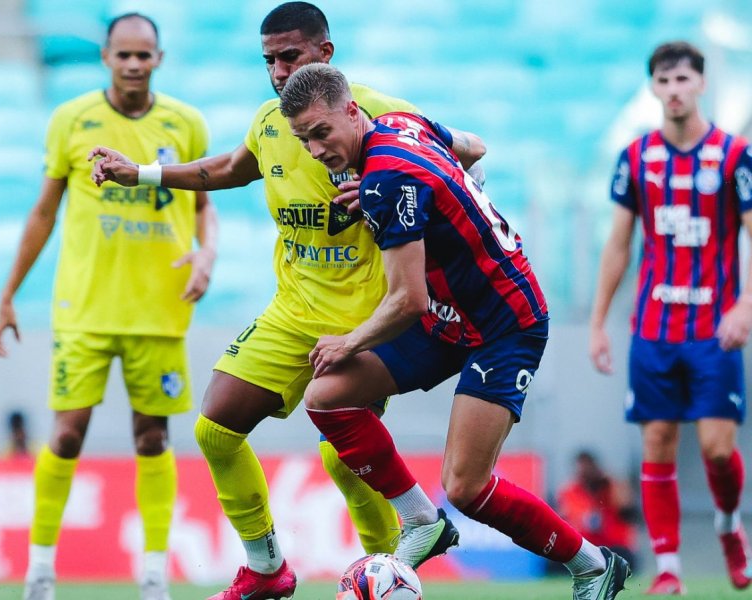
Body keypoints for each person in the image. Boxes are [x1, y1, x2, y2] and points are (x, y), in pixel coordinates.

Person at [87, 4, 472, 599]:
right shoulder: (272, 121)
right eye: (267, 59)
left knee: (344, 459)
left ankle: (386, 572)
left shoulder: (381, 114)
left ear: (325, 54)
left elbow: (462, 156)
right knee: (215, 429)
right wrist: (139, 174)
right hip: (292, 313)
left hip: (365, 321)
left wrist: (387, 184)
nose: (276, 70)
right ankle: (268, 568)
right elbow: (228, 169)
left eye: (289, 56)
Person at [277, 62, 631, 600]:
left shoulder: (385, 180)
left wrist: (348, 341)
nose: (316, 150)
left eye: (322, 132)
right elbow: (475, 147)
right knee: (326, 396)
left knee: (465, 486)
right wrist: (448, 194)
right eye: (304, 140)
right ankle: (422, 522)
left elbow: (406, 299)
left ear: (352, 111)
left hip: (504, 324)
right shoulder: (401, 124)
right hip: (447, 318)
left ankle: (592, 565)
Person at [0, 13, 217, 600]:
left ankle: (153, 574)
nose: (134, 64)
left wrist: (206, 253)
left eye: (145, 55)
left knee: (153, 438)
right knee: (67, 435)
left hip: (158, 310)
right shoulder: (71, 120)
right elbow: (44, 211)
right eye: (124, 55)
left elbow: (204, 204)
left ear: (159, 59)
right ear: (106, 57)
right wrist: (10, 292)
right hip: (85, 310)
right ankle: (40, 569)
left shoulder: (187, 123)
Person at [589, 40, 752, 595]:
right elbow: (617, 246)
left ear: (701, 84)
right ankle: (668, 569)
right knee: (657, 439)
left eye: (684, 80)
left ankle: (730, 524)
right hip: (654, 328)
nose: (674, 90)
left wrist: (745, 305)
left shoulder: (734, 156)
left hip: (714, 329)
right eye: (664, 81)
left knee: (717, 450)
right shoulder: (636, 159)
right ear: (654, 89)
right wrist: (597, 322)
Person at [556, 451, 639, 574]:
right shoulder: (570, 491)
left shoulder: (612, 486)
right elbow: (565, 517)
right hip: (584, 548)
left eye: (588, 467)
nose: (584, 472)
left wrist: (609, 484)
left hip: (613, 547)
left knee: (622, 559)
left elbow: (628, 510)